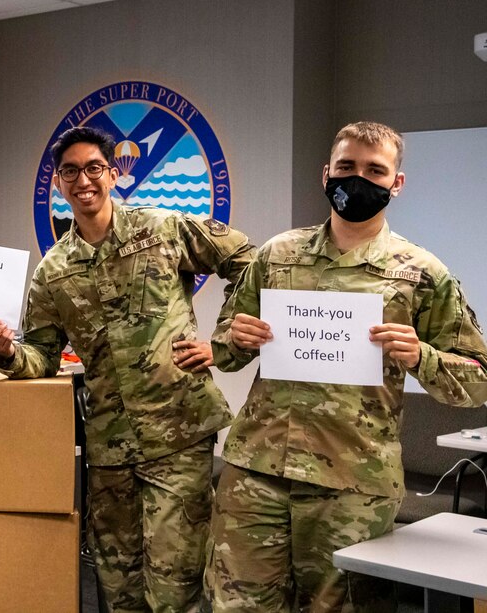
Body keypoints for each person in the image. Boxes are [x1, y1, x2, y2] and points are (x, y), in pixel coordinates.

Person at [206, 121, 487, 612]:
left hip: (353, 482)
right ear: (326, 174)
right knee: (238, 604)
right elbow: (226, 351)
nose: (358, 179)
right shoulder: (277, 255)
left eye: (375, 170)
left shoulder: (422, 273)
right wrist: (236, 338)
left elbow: (478, 381)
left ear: (396, 183)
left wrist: (421, 355)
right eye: (346, 166)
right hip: (257, 471)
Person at [0, 126, 255, 612]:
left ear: (112, 174)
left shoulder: (164, 228)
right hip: (110, 447)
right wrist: (7, 353)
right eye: (70, 172)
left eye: (93, 168)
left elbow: (247, 260)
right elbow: (42, 354)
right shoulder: (53, 271)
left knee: (175, 586)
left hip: (178, 433)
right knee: (118, 588)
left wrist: (223, 342)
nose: (83, 180)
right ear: (59, 183)